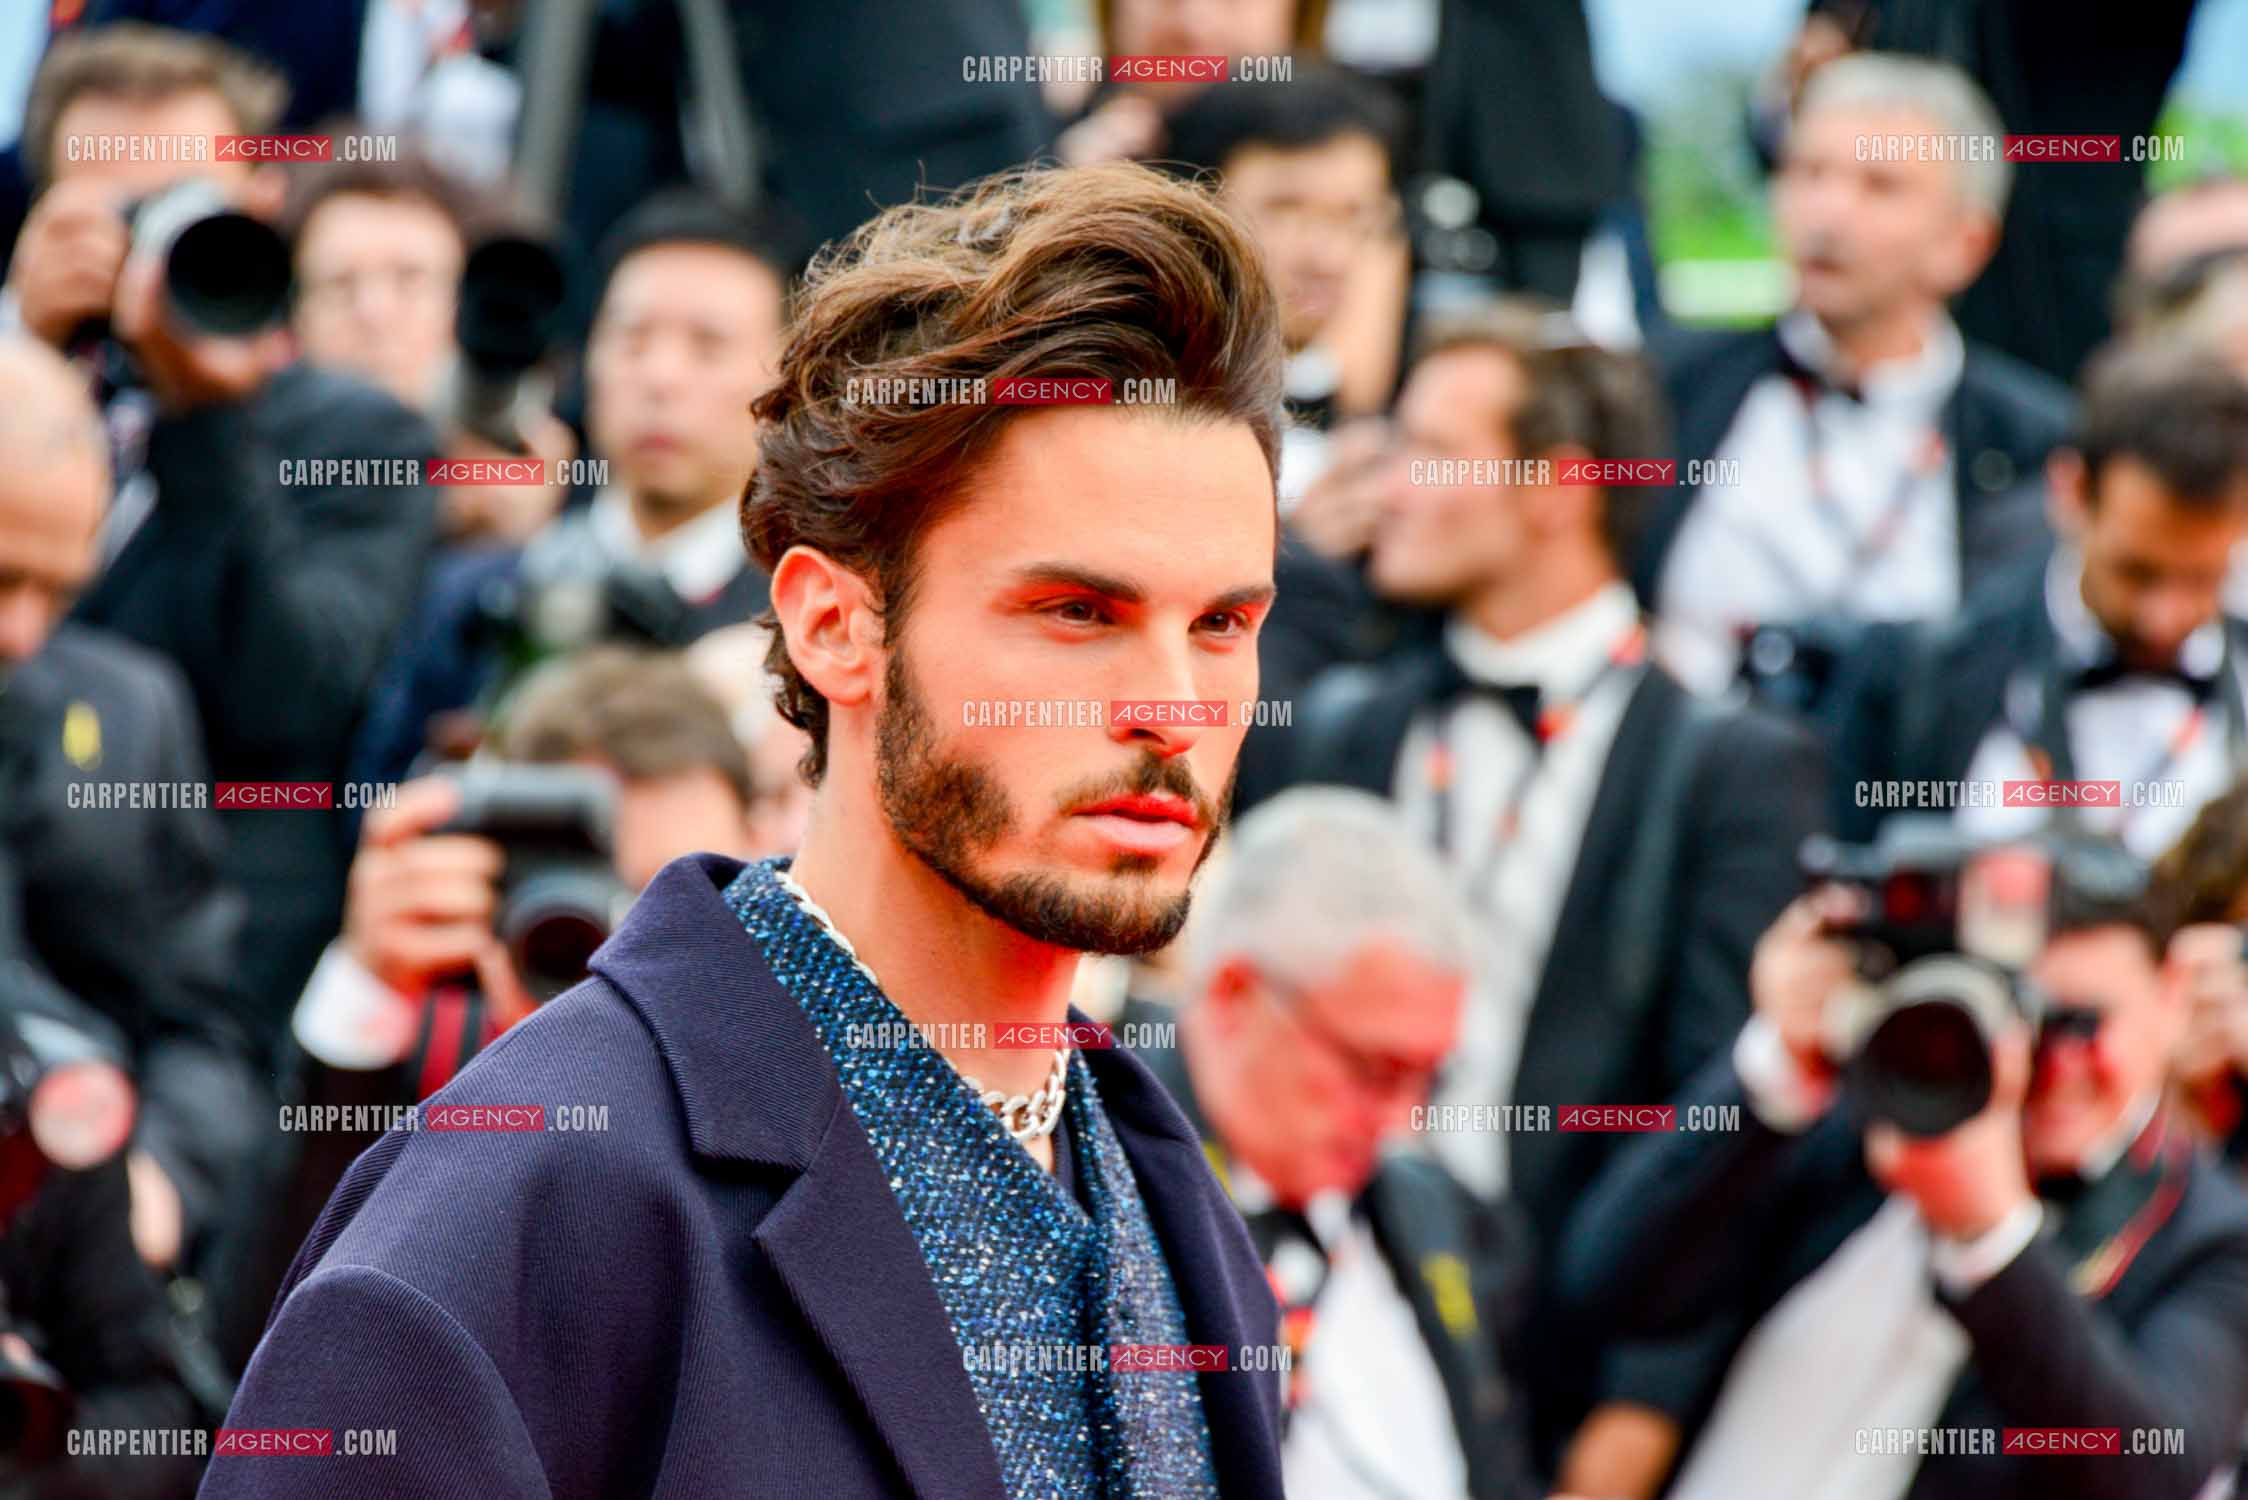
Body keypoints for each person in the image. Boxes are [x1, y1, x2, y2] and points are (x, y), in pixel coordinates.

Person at [205, 161, 1289, 1498]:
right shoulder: (528, 1207)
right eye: (1077, 612)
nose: (1173, 710)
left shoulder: (1177, 1209)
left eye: (1225, 625)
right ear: (834, 625)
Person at [1288, 300, 1826, 1491]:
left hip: (1572, 1363)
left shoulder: (1729, 767)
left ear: (1555, 489)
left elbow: (1726, 1134)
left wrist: (1632, 1430)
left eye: (1432, 450)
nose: (1391, 483)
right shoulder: (1343, 725)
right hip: (1334, 1334)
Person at [1558, 830, 2248, 1500]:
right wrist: (1772, 1073)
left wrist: (1990, 1239)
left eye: (2084, 1023)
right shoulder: (1863, 1118)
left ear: (2172, 994)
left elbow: (2153, 1471)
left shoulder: (2210, 1239)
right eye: (2026, 1015)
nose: (2053, 1062)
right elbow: (1605, 1283)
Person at [6, 24, 442, 1047]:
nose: (150, 246)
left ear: (255, 205)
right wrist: (20, 359)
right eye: (117, 213)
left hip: (212, 995)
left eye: (184, 207)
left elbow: (298, 699)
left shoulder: (357, 436)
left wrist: (207, 423)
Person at [205, 645, 763, 1373]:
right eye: (588, 902)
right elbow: (256, 1347)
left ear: (763, 854)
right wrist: (363, 989)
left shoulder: (809, 1054)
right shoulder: (431, 1043)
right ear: (495, 872)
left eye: (688, 896)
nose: (632, 948)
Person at [1128, 786, 1542, 1499]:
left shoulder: (1438, 1211)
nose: (1402, 1120)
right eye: (1375, 1071)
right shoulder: (1098, 1187)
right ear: (1234, 997)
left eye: (1429, 1079)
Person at [1639, 53, 2073, 699]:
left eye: (1880, 186)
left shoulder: (2033, 444)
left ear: (1966, 243)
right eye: (1808, 173)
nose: (1828, 214)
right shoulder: (1669, 384)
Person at [351, 184, 799, 785]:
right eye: (632, 339)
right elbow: (376, 798)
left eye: (708, 346)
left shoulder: (797, 625)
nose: (660, 378)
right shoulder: (483, 593)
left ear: (786, 383)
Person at [0, 336, 260, 1282]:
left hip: (68, 1284)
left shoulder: (129, 713)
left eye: (57, 590)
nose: (20, 631)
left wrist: (159, 1185)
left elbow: (206, 1023)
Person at [1830, 341, 2248, 860]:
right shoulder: (1919, 675)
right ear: (2070, 492)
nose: (2163, 618)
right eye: (2136, 573)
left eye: (2203, 578)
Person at [283, 149, 574, 546]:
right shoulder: (250, 472)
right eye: (339, 285)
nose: (374, 313)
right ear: (293, 322)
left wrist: (519, 548)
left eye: (410, 281)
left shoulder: (537, 473)